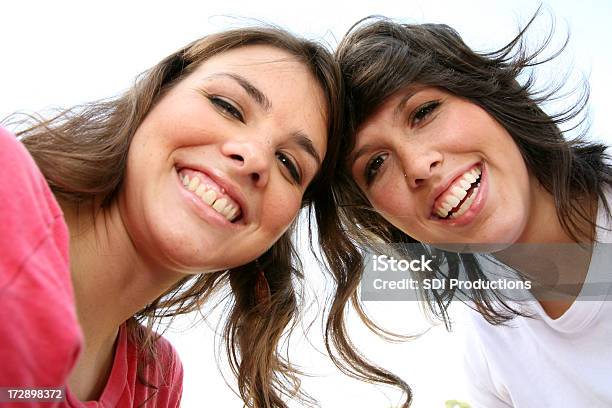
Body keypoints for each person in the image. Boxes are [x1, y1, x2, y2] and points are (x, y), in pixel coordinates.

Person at [0, 26, 347, 408]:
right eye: (227, 106)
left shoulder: (155, 382)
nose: (255, 157)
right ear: (156, 95)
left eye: (289, 164)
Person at [322, 11, 612, 408]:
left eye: (423, 112)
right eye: (375, 165)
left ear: (490, 97)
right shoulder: (488, 355)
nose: (419, 165)